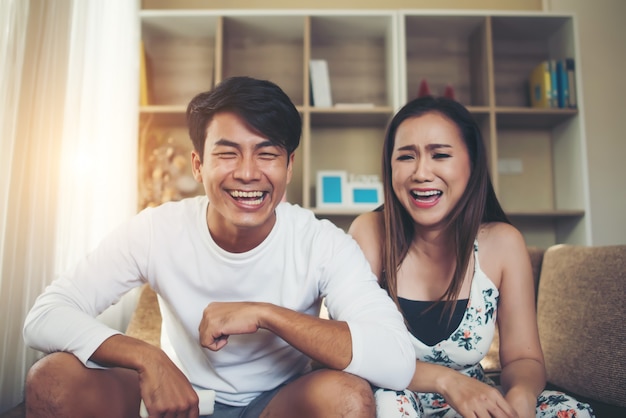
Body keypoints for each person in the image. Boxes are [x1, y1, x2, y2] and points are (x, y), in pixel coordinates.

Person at [23, 76, 416, 418]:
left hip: (277, 404)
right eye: (227, 153)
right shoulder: (158, 229)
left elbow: (397, 359)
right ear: (198, 165)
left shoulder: (321, 241)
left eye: (267, 154)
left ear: (289, 166)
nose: (247, 173)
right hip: (177, 399)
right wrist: (147, 358)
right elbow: (45, 316)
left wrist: (266, 314)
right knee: (52, 378)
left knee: (347, 398)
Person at [349, 96, 595, 418]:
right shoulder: (370, 232)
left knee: (570, 412)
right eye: (406, 157)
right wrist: (446, 381)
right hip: (394, 398)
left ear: (472, 163)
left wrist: (520, 399)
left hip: (473, 402)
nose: (421, 173)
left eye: (440, 155)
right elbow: (354, 350)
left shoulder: (503, 243)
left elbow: (524, 358)